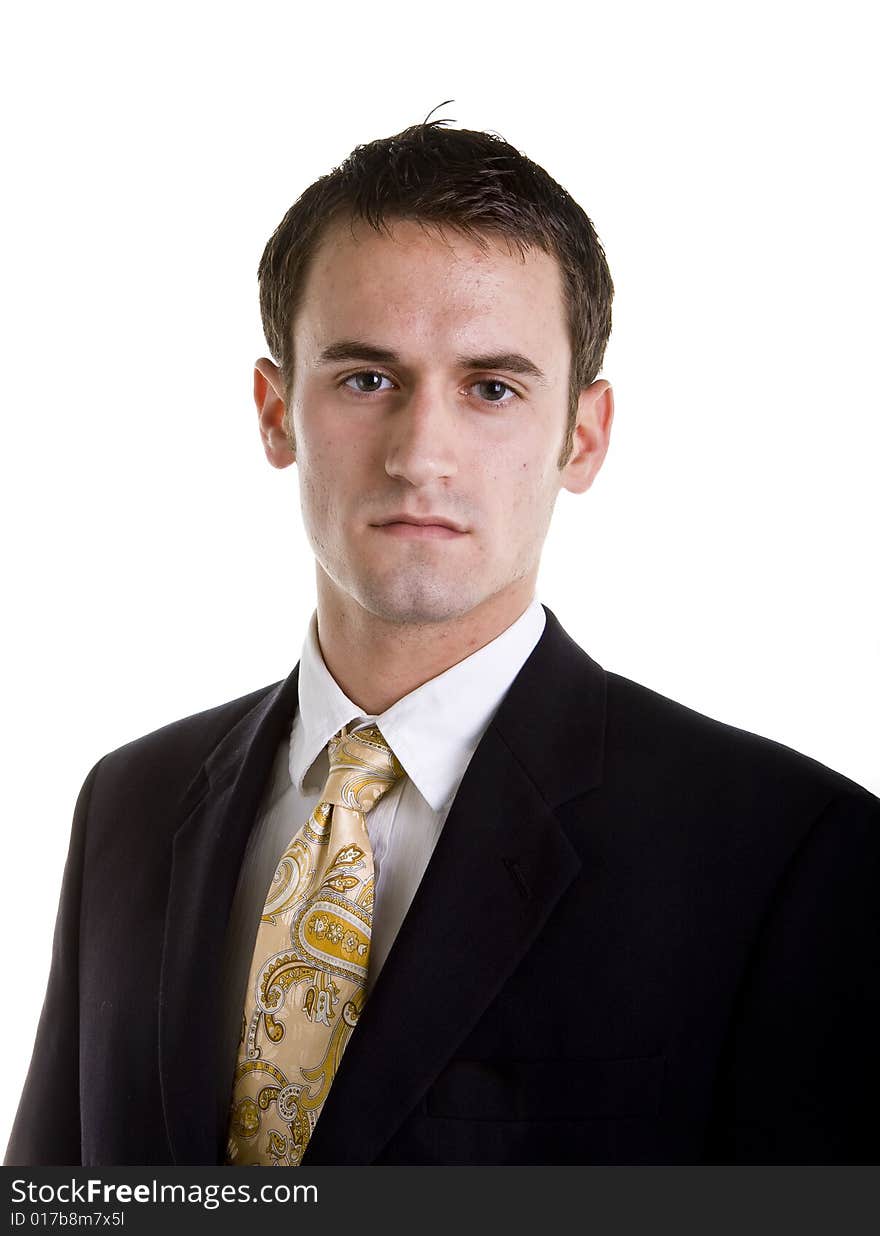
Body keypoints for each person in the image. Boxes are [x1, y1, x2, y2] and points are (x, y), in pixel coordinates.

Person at [6, 119, 878, 1168]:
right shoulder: (130, 805)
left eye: (492, 388)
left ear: (583, 436)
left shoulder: (790, 852)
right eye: (366, 379)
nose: (422, 454)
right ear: (276, 412)